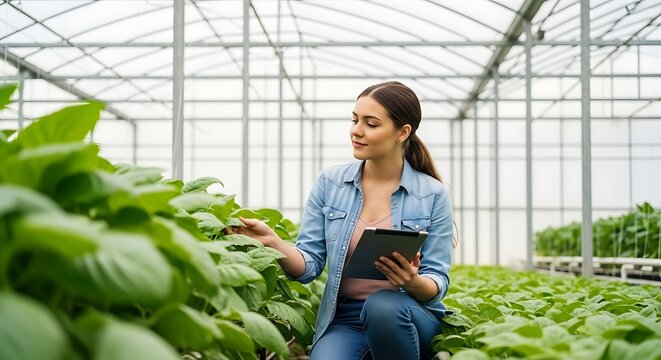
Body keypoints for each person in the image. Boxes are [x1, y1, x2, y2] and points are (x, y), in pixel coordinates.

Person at [236, 81, 454, 360]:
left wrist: (412, 282)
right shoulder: (330, 183)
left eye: (371, 124)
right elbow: (310, 265)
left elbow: (437, 279)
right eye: (354, 120)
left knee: (383, 306)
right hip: (347, 317)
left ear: (403, 132)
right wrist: (272, 242)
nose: (356, 131)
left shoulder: (432, 194)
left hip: (409, 313)